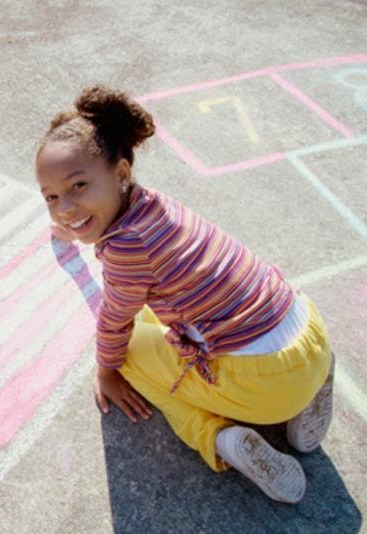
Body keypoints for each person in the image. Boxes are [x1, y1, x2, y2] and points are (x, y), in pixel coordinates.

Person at [35, 85, 334, 504]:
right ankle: (315, 388)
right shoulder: (156, 207)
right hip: (311, 339)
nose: (64, 207)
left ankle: (222, 439)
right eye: (51, 197)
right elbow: (118, 243)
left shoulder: (126, 248)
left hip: (266, 385)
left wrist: (106, 372)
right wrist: (82, 219)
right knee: (171, 312)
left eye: (78, 186)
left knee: (130, 357)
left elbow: (115, 321)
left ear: (120, 174)